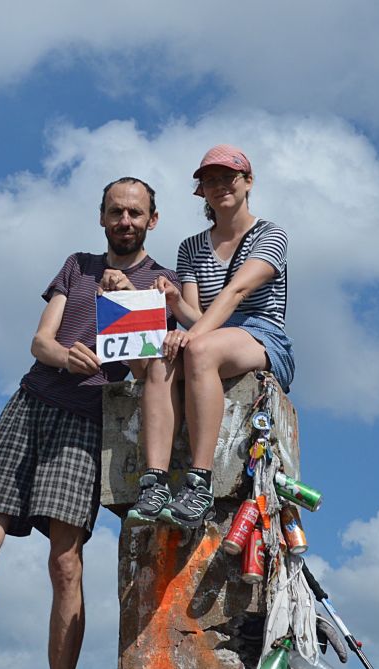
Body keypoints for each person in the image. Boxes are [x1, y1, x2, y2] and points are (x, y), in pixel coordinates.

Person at [0, 177, 178, 669]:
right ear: (102, 217)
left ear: (152, 220)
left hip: (88, 421)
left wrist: (131, 299)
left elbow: (146, 366)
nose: (126, 221)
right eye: (117, 211)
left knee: (65, 560)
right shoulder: (76, 264)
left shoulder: (163, 283)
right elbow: (40, 340)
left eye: (136, 212)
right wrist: (66, 356)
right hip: (32, 401)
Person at [127, 145, 295, 530]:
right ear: (201, 191)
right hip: (213, 332)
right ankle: (154, 481)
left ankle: (199, 481)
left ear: (247, 182)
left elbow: (237, 293)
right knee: (159, 356)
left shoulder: (271, 235)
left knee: (197, 348)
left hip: (261, 332)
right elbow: (194, 316)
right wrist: (173, 301)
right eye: (210, 180)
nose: (220, 186)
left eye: (228, 177)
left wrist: (191, 335)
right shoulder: (190, 247)